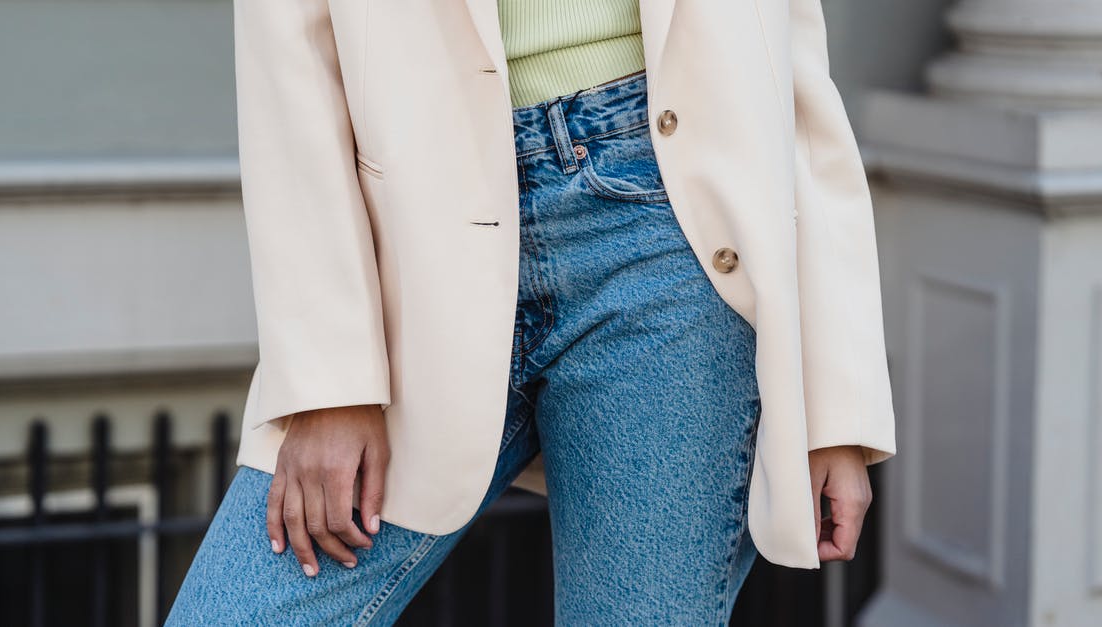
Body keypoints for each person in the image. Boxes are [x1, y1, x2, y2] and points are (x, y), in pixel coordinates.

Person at [167, 0, 897, 624]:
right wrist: (329, 380)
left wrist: (835, 406)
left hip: (669, 236)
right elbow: (287, 47)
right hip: (416, 250)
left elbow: (792, 78)